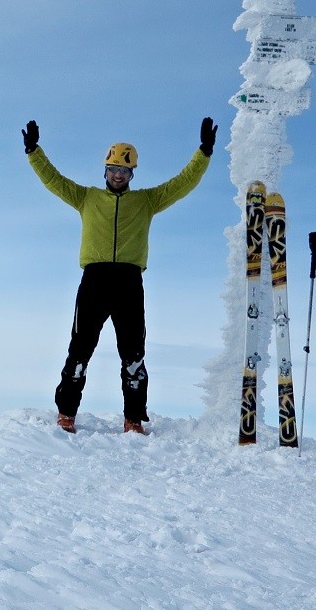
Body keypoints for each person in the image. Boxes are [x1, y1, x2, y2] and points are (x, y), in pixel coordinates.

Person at [23, 116, 217, 435]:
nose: (118, 175)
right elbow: (53, 180)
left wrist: (203, 152)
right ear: (105, 171)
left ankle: (133, 419)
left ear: (131, 174)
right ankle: (66, 413)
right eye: (113, 169)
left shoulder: (146, 201)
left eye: (124, 171)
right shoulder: (86, 198)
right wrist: (34, 151)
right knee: (80, 349)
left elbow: (182, 183)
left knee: (133, 354)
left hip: (129, 283)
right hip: (94, 281)